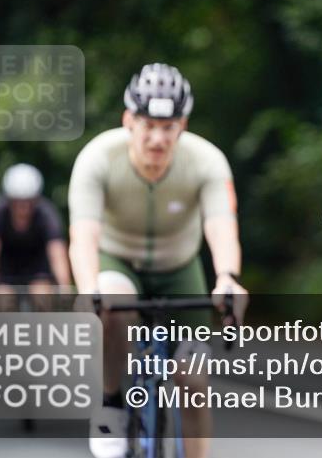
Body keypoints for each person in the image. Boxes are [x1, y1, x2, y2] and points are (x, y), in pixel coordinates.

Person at [68, 63, 248, 458]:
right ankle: (112, 402)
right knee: (111, 303)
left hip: (180, 269)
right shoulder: (98, 156)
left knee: (194, 384)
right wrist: (88, 289)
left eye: (168, 127)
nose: (157, 138)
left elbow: (221, 227)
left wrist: (228, 278)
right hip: (118, 260)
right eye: (148, 124)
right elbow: (83, 235)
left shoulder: (206, 161)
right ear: (128, 120)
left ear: (182, 125)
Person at [0, 163, 71, 308]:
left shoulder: (47, 214)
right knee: (2, 300)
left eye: (28, 201)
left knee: (43, 297)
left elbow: (57, 251)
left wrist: (64, 283)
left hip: (38, 270)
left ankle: (43, 329)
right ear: (9, 200)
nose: (23, 208)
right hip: (6, 271)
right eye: (18, 202)